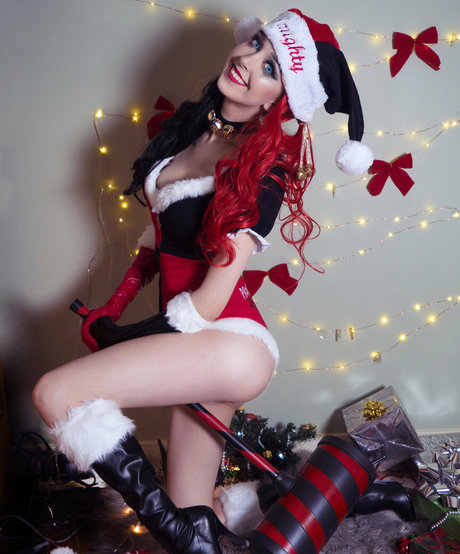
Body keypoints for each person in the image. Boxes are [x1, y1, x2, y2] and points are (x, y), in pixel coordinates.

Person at [32, 9, 373, 553]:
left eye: (271, 68)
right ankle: (202, 535)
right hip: (199, 342)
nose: (248, 62)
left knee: (55, 393)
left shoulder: (262, 169)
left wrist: (127, 335)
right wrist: (114, 307)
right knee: (190, 504)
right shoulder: (193, 129)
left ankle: (186, 536)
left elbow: (210, 300)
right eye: (256, 44)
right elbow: (158, 245)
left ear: (280, 100)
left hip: (228, 340)